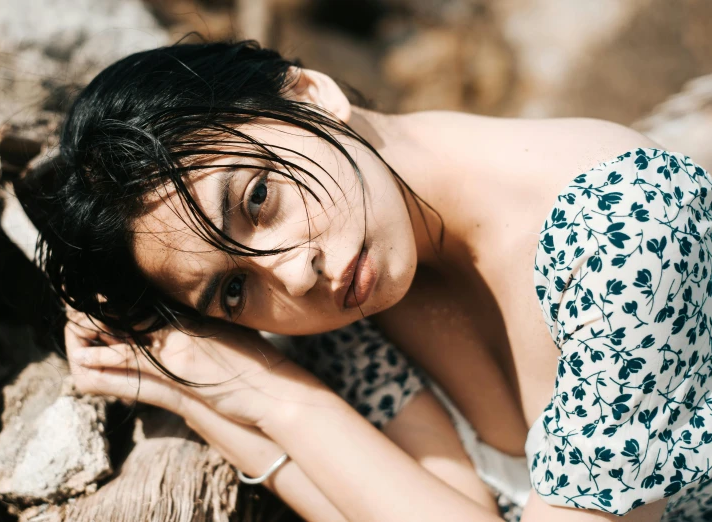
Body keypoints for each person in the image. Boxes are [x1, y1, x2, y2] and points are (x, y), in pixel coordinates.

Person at [41, 39, 712, 522]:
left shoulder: (625, 228)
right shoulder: (358, 284)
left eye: (255, 201)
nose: (290, 272)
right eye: (232, 290)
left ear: (308, 94)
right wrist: (213, 394)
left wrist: (269, 397)